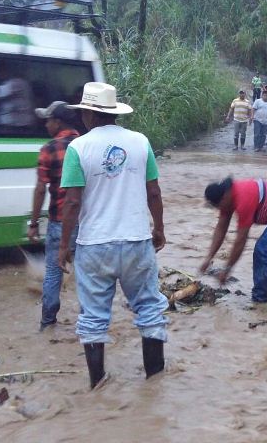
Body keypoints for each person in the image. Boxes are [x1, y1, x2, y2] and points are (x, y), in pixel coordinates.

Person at [59, 82, 168, 388]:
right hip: (136, 241)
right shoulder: (140, 142)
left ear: (89, 115)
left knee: (93, 317)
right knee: (149, 308)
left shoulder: (77, 148)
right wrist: (158, 228)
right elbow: (154, 192)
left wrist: (63, 245)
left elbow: (72, 202)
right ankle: (154, 380)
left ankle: (98, 382)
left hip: (94, 245)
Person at [200, 177, 267, 303]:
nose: (218, 209)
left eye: (217, 206)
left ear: (224, 198)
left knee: (263, 250)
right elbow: (221, 229)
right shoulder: (227, 197)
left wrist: (227, 269)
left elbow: (241, 240)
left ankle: (260, 300)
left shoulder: (243, 198)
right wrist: (208, 258)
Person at [28, 101, 80, 331]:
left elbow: (41, 189)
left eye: (48, 120)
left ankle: (48, 322)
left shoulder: (49, 149)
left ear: (57, 122)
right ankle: (91, 322)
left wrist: (33, 223)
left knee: (53, 271)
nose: (46, 124)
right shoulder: (86, 145)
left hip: (60, 221)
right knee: (88, 273)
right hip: (88, 223)